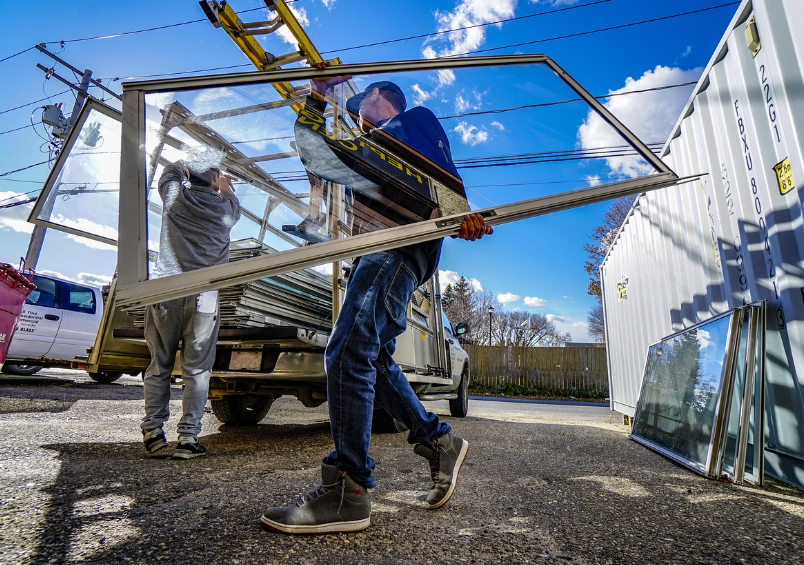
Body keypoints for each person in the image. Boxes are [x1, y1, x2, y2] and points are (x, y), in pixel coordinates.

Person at [259, 71, 493, 534]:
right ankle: (437, 441)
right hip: (374, 254)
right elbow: (312, 150)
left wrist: (456, 211)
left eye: (360, 101)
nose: (355, 112)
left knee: (346, 351)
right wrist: (317, 95)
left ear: (382, 98)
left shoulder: (409, 123)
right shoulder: (364, 154)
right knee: (374, 358)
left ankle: (350, 488)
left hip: (397, 248)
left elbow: (443, 168)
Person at [141, 155, 240, 459]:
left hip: (165, 291)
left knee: (160, 365)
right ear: (213, 179)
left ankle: (153, 433)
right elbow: (231, 198)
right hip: (204, 297)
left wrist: (188, 163)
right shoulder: (226, 209)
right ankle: (187, 439)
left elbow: (168, 174)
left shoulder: (175, 199)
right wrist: (224, 184)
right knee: (197, 370)